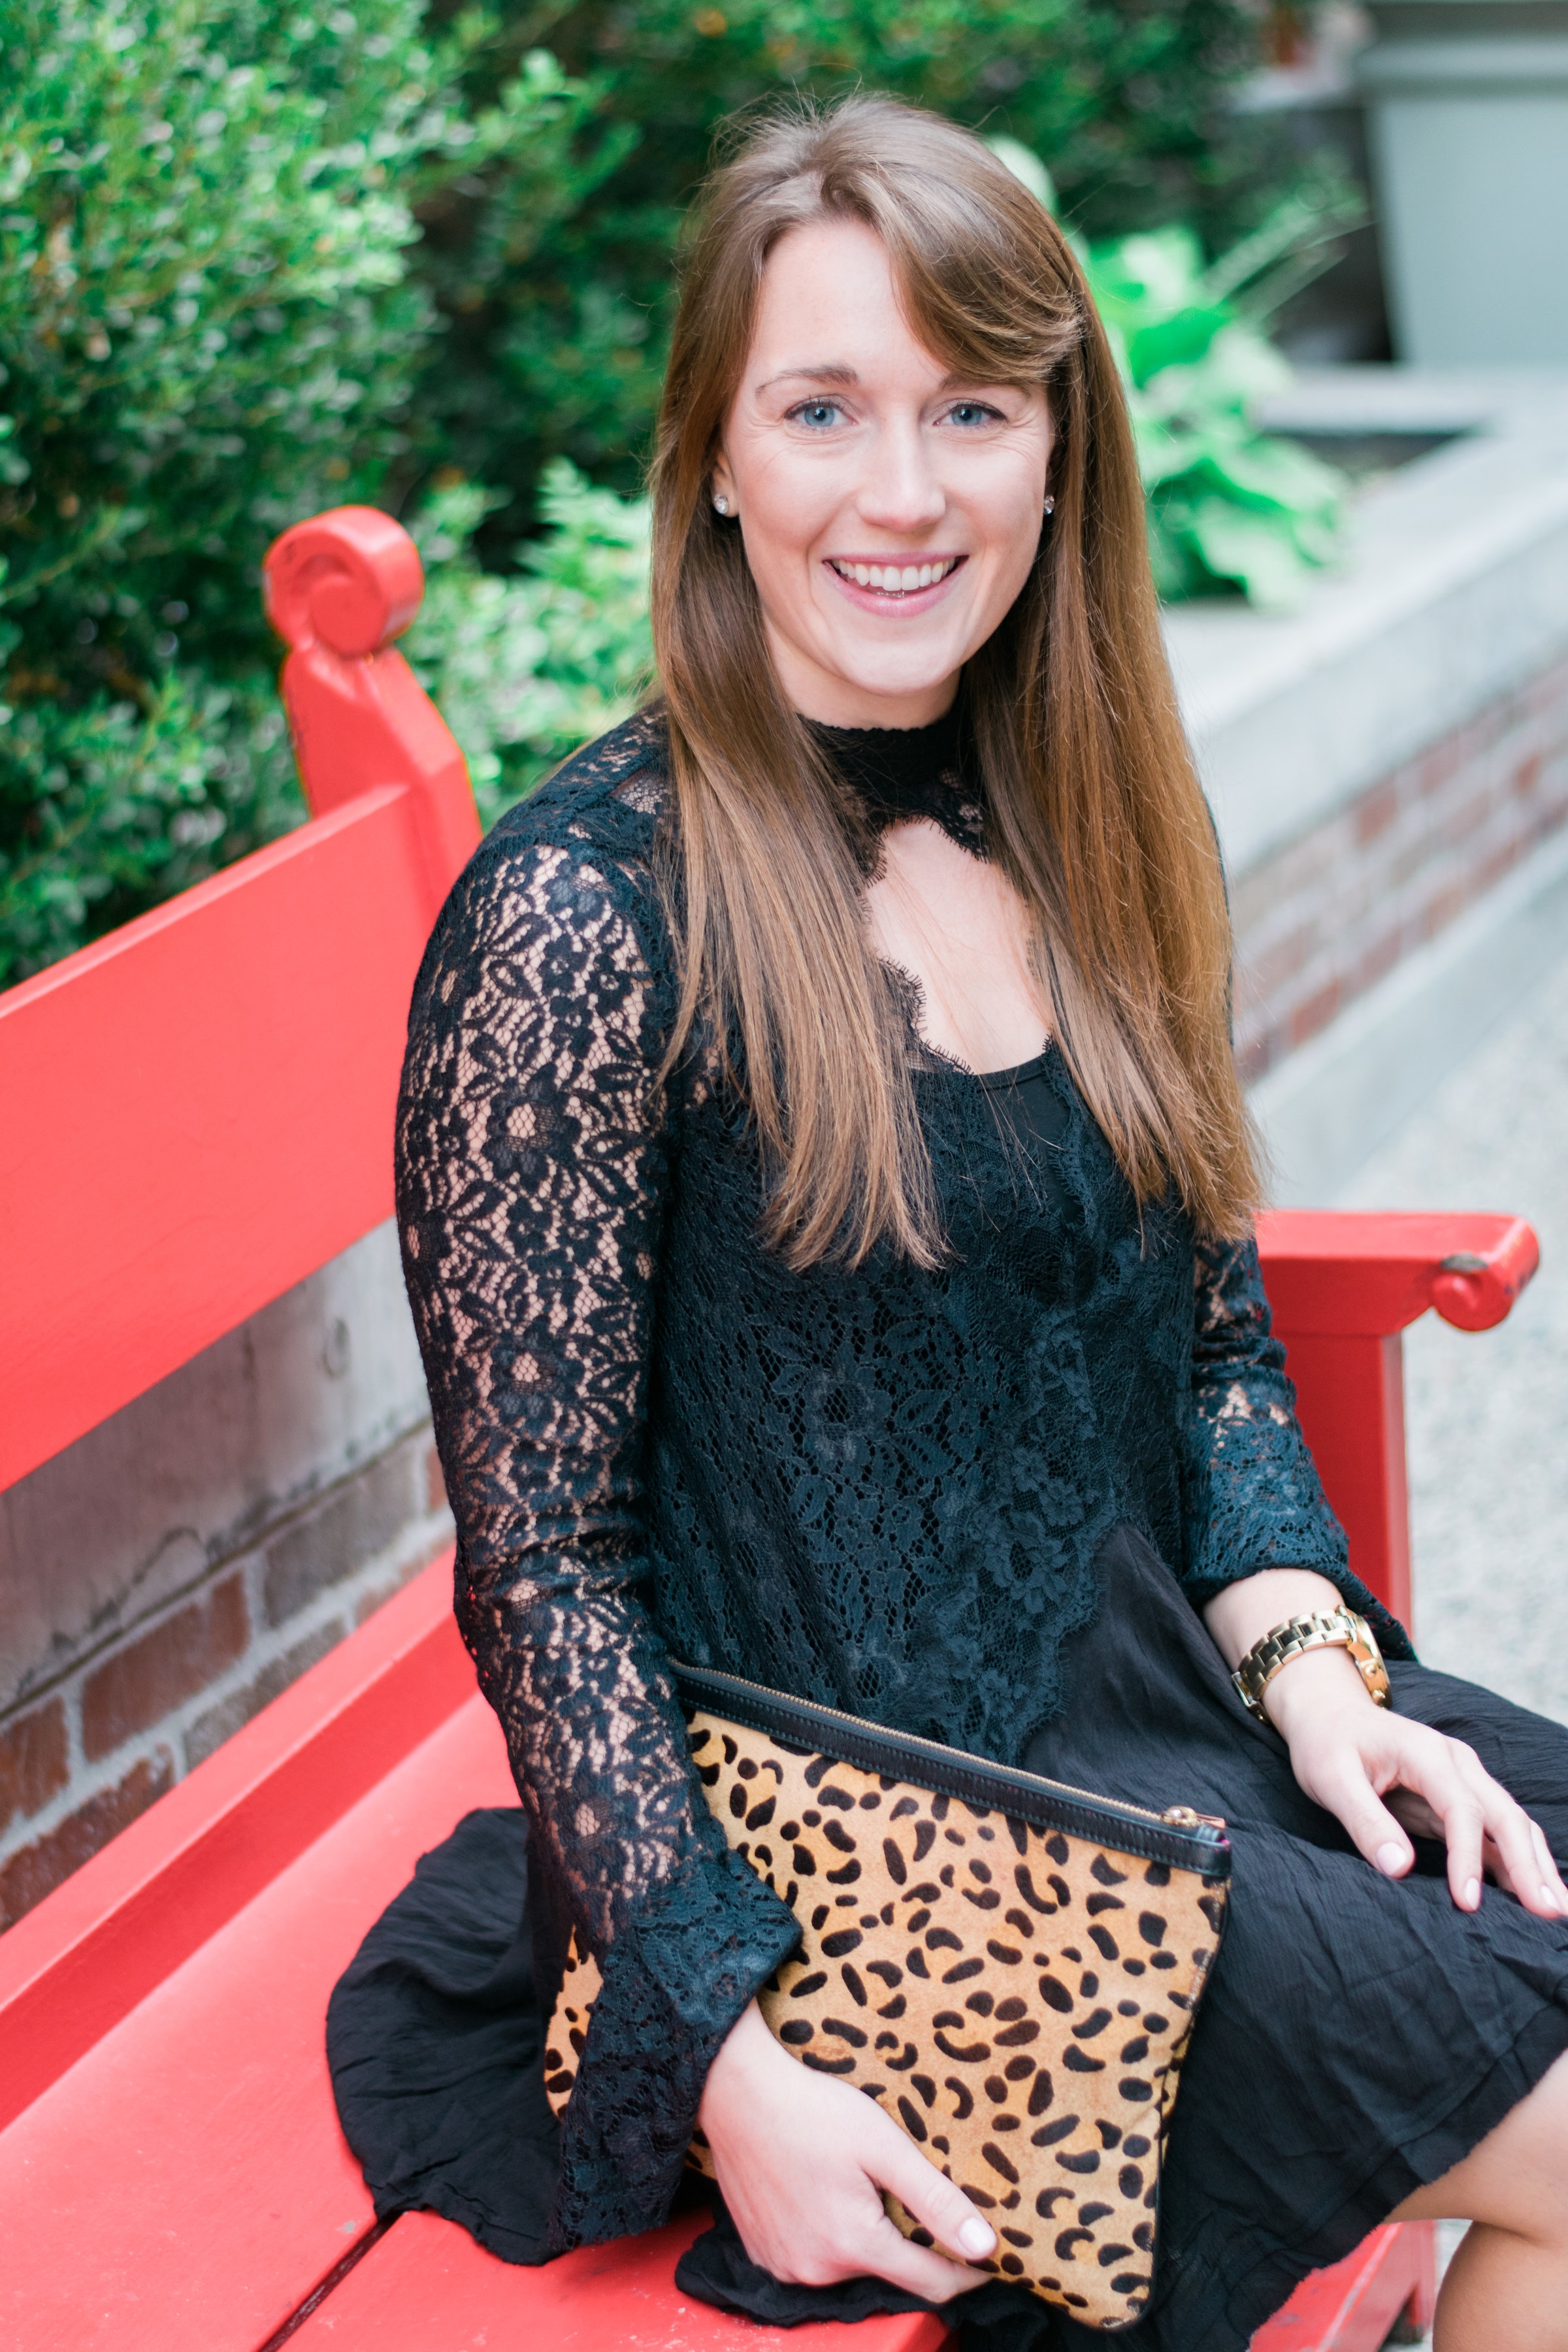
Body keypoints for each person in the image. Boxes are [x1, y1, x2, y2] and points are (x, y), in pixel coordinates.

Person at [327, 96, 1568, 2351]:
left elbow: (1207, 1340)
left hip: (1166, 1725)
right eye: (823, 411)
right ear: (716, 458)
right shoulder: (587, 925)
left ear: (1057, 455)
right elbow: (544, 1573)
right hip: (847, 1856)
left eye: (969, 410)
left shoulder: (1080, 814)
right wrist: (730, 2057)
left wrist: (1316, 1676)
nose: (901, 494)